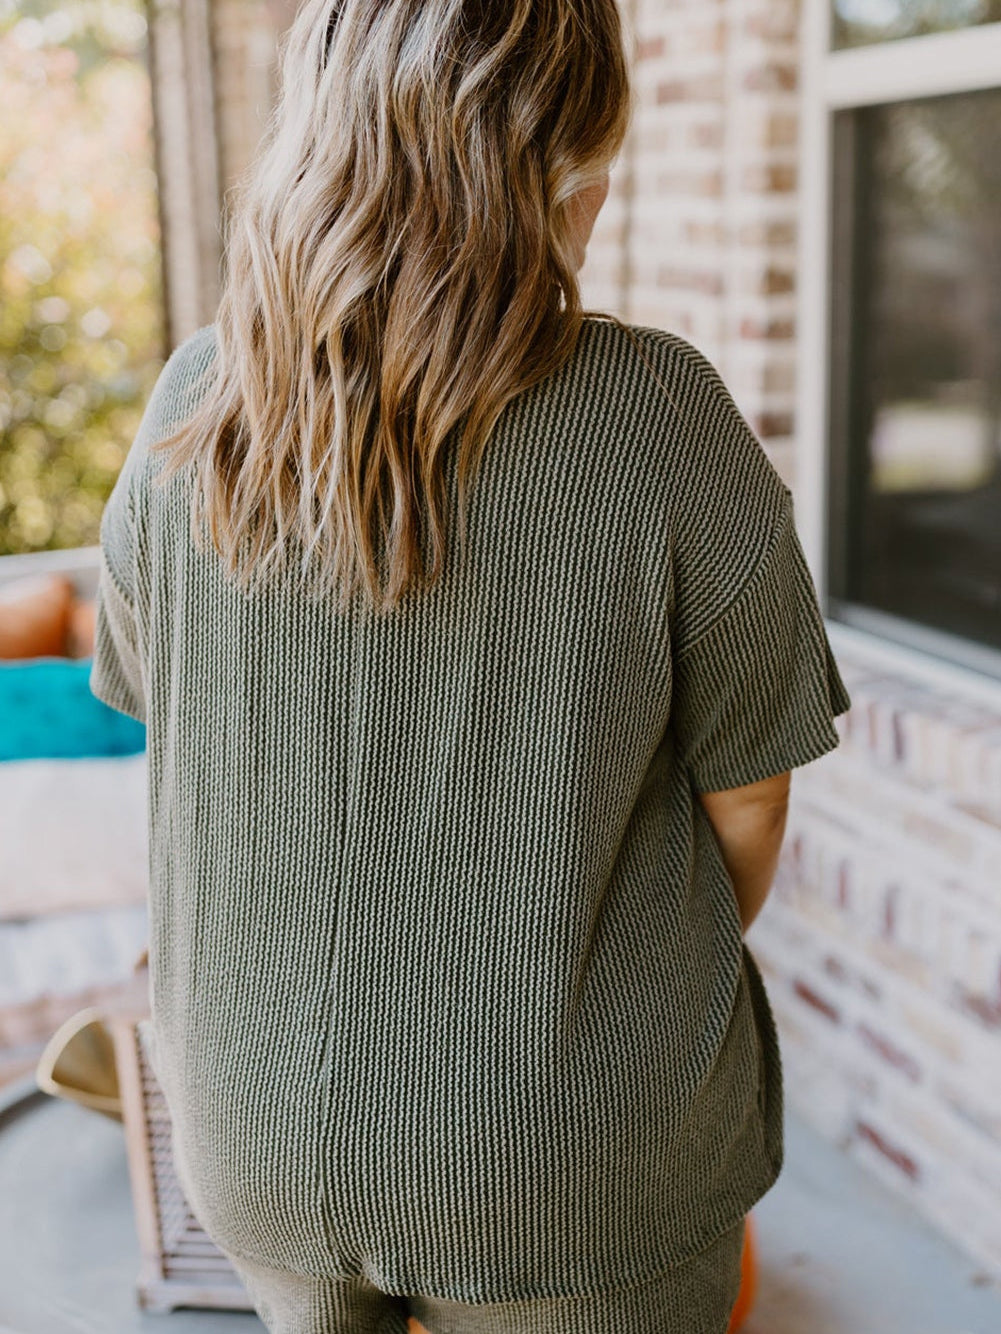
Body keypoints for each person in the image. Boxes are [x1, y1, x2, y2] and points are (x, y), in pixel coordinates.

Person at [89, 1, 852, 1331]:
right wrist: (591, 984)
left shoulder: (193, 407)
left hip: (256, 1129)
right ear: (572, 150)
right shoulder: (657, 412)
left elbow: (179, 740)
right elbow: (751, 799)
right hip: (571, 1156)